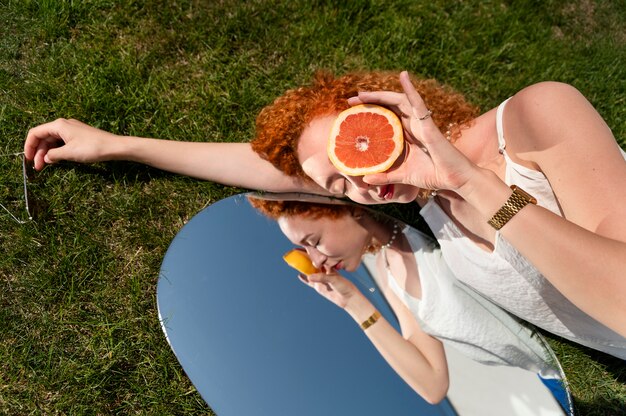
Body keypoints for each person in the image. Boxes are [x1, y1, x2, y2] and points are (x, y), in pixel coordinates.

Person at [24, 70, 626, 346]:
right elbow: (263, 167)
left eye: (356, 153)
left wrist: (473, 182)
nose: (360, 190)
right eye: (338, 188)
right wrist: (117, 144)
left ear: (381, 115)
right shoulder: (425, 197)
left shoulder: (536, 115)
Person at [247, 195, 560, 404]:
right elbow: (432, 384)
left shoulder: (424, 217)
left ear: (345, 207)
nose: (317, 260)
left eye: (314, 242)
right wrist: (353, 302)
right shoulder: (389, 276)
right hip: (557, 377)